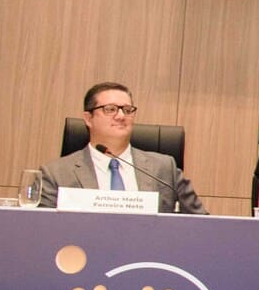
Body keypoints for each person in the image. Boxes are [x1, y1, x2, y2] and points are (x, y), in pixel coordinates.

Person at [39, 82, 208, 214]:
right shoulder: (56, 174)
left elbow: (203, 225)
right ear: (88, 118)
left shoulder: (164, 169)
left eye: (127, 110)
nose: (121, 116)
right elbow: (42, 230)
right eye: (110, 109)